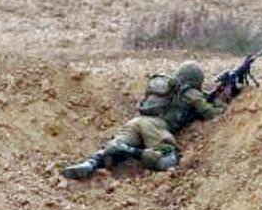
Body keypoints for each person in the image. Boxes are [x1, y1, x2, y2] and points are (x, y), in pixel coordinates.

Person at [61, 61, 224, 180]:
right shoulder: (191, 94)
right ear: (197, 80)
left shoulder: (165, 88)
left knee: (112, 147)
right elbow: (210, 113)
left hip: (136, 121)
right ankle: (131, 151)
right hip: (155, 126)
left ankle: (91, 163)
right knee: (168, 158)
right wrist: (221, 102)